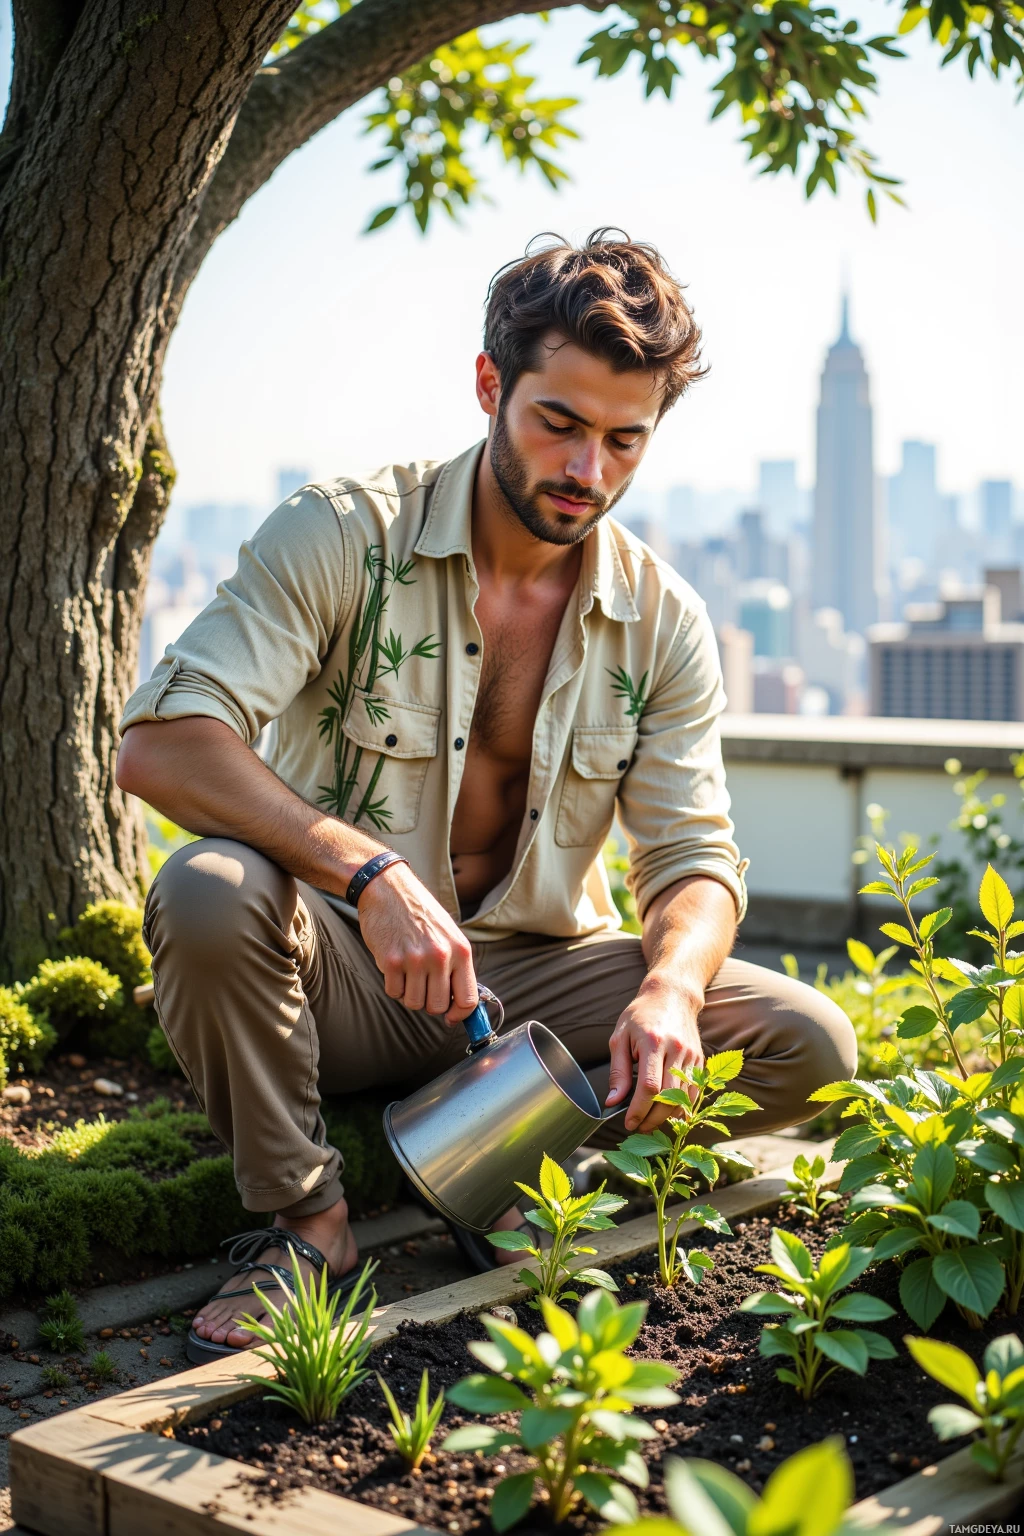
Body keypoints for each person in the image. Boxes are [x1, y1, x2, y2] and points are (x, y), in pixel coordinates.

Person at [116, 230, 856, 1364]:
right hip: (349, 969)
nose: (586, 471)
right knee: (209, 892)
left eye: (623, 441)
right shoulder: (343, 534)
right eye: (558, 423)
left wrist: (666, 987)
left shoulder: (664, 619)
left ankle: (528, 1163)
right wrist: (365, 873)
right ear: (488, 385)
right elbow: (164, 746)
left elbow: (695, 859)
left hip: (537, 995)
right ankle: (310, 1225)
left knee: (806, 1040)